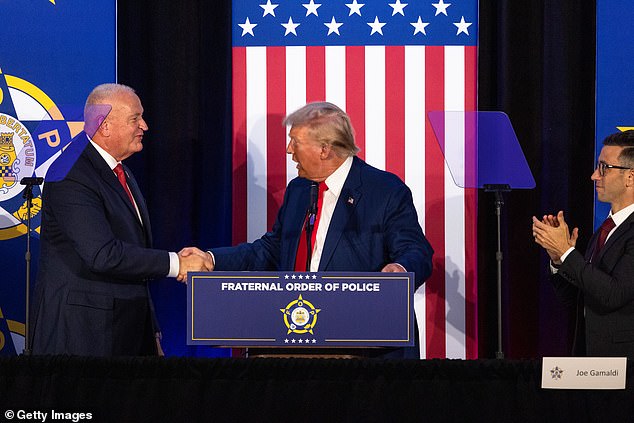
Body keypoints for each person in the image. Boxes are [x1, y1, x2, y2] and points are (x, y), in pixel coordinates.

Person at [182, 101, 433, 358]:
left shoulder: (384, 190)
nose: (289, 150)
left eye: (295, 141)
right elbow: (271, 249)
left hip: (363, 350)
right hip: (296, 342)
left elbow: (416, 250)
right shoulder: (299, 190)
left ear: (324, 149)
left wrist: (399, 270)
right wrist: (212, 259)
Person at [30, 83, 210, 356]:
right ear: (104, 126)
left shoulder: (119, 171)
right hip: (85, 340)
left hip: (125, 333)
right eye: (135, 118)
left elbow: (135, 259)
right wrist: (177, 263)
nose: (145, 126)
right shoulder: (71, 174)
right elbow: (102, 254)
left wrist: (152, 328)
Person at [532, 129, 634, 358]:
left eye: (604, 168)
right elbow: (578, 299)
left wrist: (567, 252)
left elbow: (614, 294)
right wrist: (558, 260)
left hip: (624, 368)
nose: (594, 176)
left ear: (630, 177)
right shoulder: (605, 231)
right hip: (589, 358)